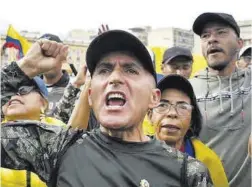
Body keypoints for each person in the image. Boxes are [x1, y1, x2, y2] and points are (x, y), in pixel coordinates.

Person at [1, 30, 213, 187]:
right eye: (104, 70)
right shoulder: (58, 148)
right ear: (91, 96)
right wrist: (25, 68)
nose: (115, 78)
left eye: (130, 69)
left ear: (153, 97)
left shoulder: (188, 173)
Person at [190, 12, 251, 187]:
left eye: (221, 32)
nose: (212, 40)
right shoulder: (187, 90)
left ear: (240, 43)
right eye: (205, 36)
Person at [148, 74, 228, 187]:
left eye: (182, 107)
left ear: (191, 120)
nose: (172, 113)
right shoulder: (133, 154)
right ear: (149, 115)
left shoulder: (207, 161)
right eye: (163, 105)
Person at [1, 76, 66, 187]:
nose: (14, 94)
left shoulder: (60, 131)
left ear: (44, 103)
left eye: (24, 88)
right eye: (9, 90)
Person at [39, 33, 71, 117]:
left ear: (63, 57)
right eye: (43, 56)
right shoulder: (26, 88)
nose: (47, 61)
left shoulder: (74, 90)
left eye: (52, 55)